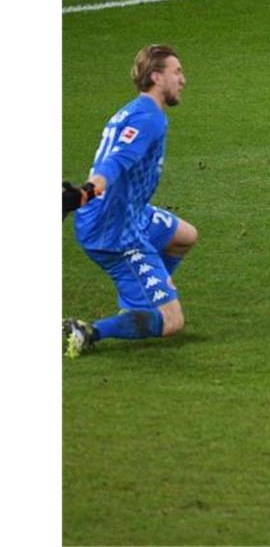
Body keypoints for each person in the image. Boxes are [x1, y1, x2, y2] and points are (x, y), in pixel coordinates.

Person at [61, 44, 197, 358]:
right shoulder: (149, 119)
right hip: (115, 231)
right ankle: (88, 330)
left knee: (185, 237)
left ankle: (147, 292)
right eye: (176, 72)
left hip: (130, 213)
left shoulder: (135, 110)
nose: (183, 80)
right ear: (156, 77)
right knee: (171, 322)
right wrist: (86, 191)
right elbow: (116, 162)